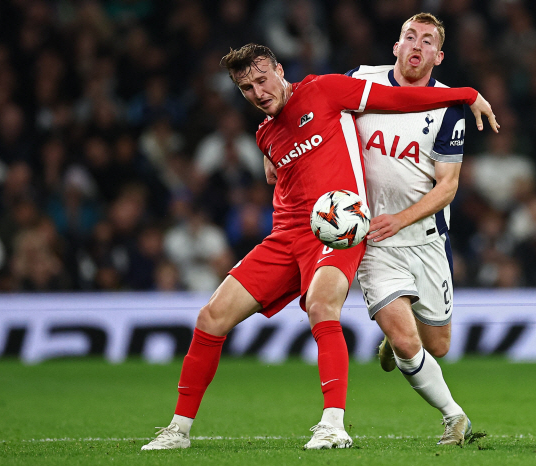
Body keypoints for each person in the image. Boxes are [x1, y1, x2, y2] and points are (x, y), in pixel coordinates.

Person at [141, 43, 498, 451]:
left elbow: (398, 99)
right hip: (285, 238)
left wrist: (465, 93)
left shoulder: (326, 90)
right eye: (245, 88)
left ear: (279, 71)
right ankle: (179, 430)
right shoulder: (265, 134)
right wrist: (269, 154)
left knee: (322, 306)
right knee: (211, 317)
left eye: (261, 80)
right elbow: (281, 165)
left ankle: (333, 426)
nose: (257, 92)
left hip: (338, 232)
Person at [348, 13, 497, 446]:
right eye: (409, 36)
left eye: (426, 40)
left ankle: (398, 345)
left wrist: (402, 217)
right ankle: (456, 418)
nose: (416, 44)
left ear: (438, 55)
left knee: (440, 345)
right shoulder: (361, 81)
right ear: (395, 46)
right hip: (375, 241)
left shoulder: (449, 106)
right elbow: (308, 102)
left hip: (427, 241)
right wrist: (274, 140)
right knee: (406, 337)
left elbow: (447, 186)